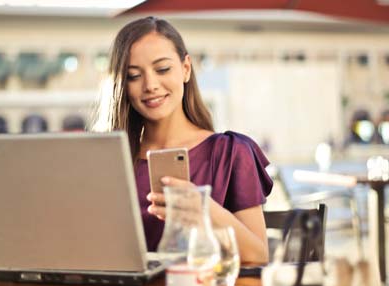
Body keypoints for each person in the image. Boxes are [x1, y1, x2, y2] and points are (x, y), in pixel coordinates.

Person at [92, 16, 273, 263]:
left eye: (162, 69)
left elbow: (259, 255)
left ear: (186, 69)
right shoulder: (109, 160)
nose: (150, 85)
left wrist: (203, 210)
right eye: (134, 76)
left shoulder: (231, 152)